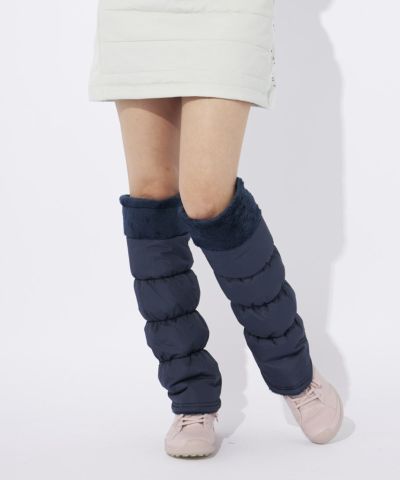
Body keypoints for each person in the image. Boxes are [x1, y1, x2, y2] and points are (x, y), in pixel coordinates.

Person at [88, 0, 343, 458]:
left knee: (207, 198)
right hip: (137, 13)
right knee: (151, 196)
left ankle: (297, 374)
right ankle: (191, 398)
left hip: (225, 10)